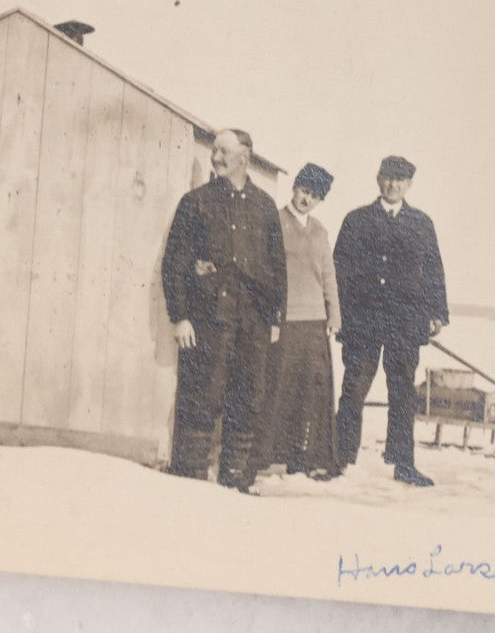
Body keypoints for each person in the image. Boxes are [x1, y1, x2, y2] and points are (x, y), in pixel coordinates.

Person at [161, 128, 286, 493]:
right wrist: (180, 315)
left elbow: (277, 266)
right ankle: (191, 477)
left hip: (253, 322)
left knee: (246, 398)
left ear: (244, 158)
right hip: (207, 320)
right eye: (214, 150)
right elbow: (174, 264)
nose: (215, 157)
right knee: (202, 395)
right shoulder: (195, 202)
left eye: (223, 151)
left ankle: (235, 478)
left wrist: (274, 316)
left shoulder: (264, 206)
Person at [333, 155, 449, 487]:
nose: (393, 185)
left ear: (409, 185)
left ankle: (403, 464)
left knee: (402, 393)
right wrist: (339, 313)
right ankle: (341, 459)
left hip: (405, 322)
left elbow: (434, 270)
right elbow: (340, 269)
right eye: (387, 178)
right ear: (378, 180)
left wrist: (436, 312)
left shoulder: (421, 223)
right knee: (353, 388)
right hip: (363, 321)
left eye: (400, 180)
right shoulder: (356, 220)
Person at [253, 163, 343, 480]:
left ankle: (306, 457)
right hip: (286, 320)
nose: (307, 200)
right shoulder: (275, 221)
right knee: (279, 387)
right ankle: (269, 454)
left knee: (313, 392)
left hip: (315, 322)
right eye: (305, 191)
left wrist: (334, 314)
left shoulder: (320, 230)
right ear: (295, 187)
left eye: (315, 196)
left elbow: (328, 275)